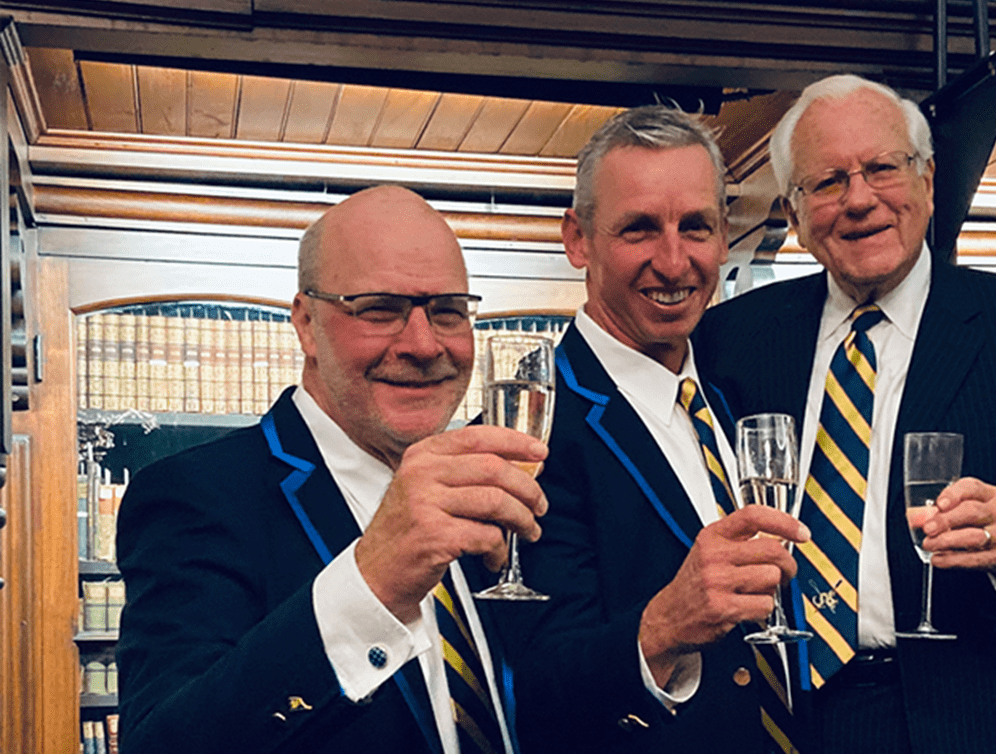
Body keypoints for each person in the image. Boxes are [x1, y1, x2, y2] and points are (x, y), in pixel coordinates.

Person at [693, 75, 996, 754]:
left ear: (927, 180)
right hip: (779, 715)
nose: (860, 198)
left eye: (881, 168)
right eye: (828, 182)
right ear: (796, 213)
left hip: (968, 719)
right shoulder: (730, 339)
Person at [115, 185, 549, 754]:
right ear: (305, 323)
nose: (422, 344)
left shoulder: (484, 491)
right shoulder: (193, 496)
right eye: (378, 309)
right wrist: (371, 583)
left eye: (447, 311)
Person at [504, 105, 809, 754]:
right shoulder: (529, 437)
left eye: (694, 226)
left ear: (725, 236)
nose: (674, 262)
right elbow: (530, 693)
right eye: (639, 228)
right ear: (578, 238)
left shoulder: (740, 395)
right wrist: (664, 626)